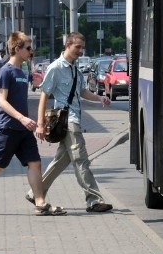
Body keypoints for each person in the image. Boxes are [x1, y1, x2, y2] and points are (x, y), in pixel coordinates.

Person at [0, 31, 66, 216]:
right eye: (28, 48)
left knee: (34, 163)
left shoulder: (22, 71)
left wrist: (32, 121)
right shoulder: (6, 71)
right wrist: (22, 118)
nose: (31, 51)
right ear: (17, 49)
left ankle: (40, 203)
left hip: (23, 129)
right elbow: (2, 101)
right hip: (7, 128)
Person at [27, 32, 113, 213]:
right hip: (67, 121)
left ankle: (34, 192)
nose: (80, 51)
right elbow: (44, 95)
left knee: (61, 160)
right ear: (68, 45)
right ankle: (94, 200)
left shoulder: (74, 68)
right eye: (77, 47)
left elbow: (81, 92)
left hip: (72, 120)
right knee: (81, 160)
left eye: (82, 48)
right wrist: (40, 124)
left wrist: (99, 98)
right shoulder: (56, 67)